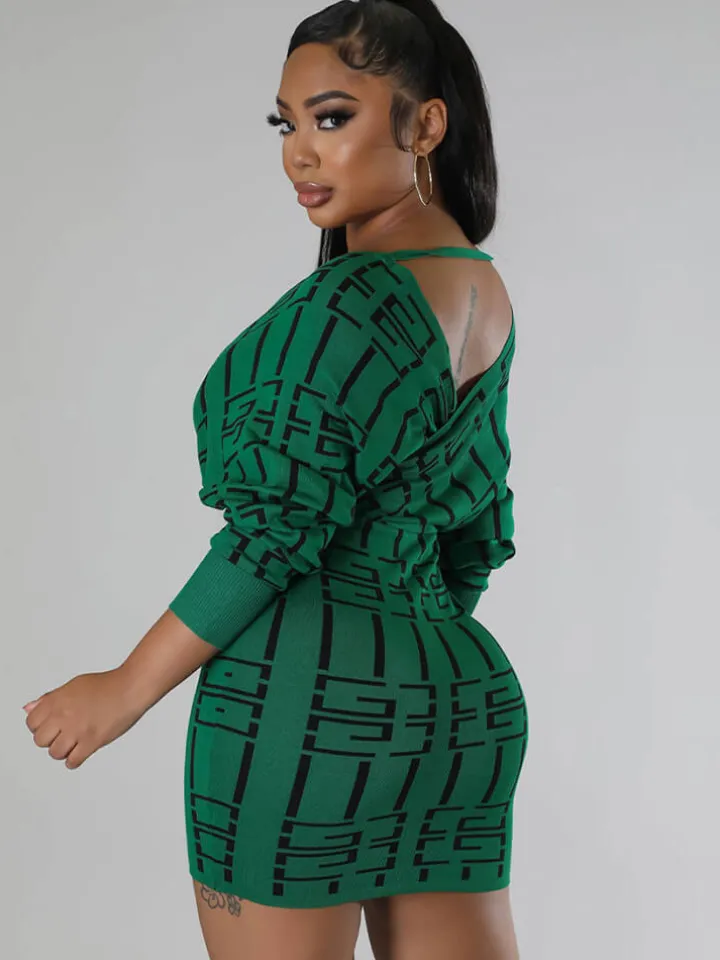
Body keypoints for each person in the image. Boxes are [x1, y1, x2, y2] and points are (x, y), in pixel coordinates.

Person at [22, 1, 528, 957]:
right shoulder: (482, 288)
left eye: (332, 117)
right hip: (457, 708)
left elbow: (273, 534)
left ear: (426, 124)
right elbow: (473, 541)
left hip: (304, 712)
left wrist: (122, 690)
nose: (300, 152)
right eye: (285, 123)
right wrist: (405, 644)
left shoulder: (347, 303)